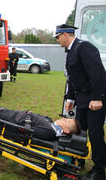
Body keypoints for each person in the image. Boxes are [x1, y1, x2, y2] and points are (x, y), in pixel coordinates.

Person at [55, 24, 106, 180]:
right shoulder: (71, 51)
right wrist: (70, 98)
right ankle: (79, 159)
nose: (57, 41)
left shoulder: (84, 47)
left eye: (57, 37)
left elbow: (98, 73)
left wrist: (97, 98)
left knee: (95, 134)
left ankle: (99, 170)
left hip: (93, 99)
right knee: (79, 130)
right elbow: (72, 77)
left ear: (65, 34)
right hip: (82, 100)